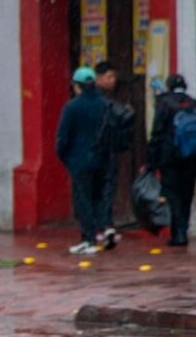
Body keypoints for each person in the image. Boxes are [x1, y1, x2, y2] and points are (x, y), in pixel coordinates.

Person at [147, 73, 196, 247]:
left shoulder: (164, 103)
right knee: (186, 193)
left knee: (173, 194)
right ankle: (182, 229)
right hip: (192, 156)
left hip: (170, 157)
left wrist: (152, 161)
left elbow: (157, 133)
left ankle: (178, 234)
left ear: (169, 86)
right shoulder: (194, 104)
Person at [56, 67, 109, 255]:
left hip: (79, 160)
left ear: (77, 86)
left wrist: (65, 157)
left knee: (83, 199)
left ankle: (88, 238)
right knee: (98, 197)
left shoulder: (72, 107)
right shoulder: (104, 104)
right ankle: (102, 231)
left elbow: (62, 137)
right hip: (102, 158)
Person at [94, 61, 136, 250]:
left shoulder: (106, 99)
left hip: (106, 150)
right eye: (109, 77)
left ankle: (103, 224)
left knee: (106, 187)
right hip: (101, 151)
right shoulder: (100, 100)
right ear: (98, 78)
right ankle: (101, 225)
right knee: (102, 188)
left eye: (114, 78)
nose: (112, 81)